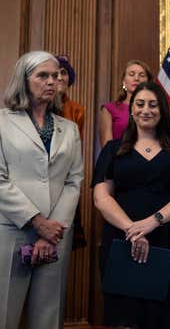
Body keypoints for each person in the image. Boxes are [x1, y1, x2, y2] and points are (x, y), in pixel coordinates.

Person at [93, 81, 170, 329]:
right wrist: (133, 229)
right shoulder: (113, 149)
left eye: (153, 105)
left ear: (162, 110)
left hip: (168, 236)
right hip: (123, 239)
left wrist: (153, 222)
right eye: (140, 104)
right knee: (127, 316)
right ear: (131, 110)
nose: (146, 110)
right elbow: (101, 197)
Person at [0, 51, 83, 329]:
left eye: (56, 75)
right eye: (43, 76)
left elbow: (74, 181)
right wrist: (37, 222)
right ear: (24, 80)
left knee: (48, 317)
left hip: (56, 236)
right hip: (11, 231)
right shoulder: (2, 122)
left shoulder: (69, 129)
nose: (52, 81)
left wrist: (52, 229)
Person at [55, 55, 88, 250]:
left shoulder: (76, 110)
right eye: (55, 72)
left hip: (64, 178)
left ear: (69, 79)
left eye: (63, 72)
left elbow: (75, 150)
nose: (58, 77)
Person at [98, 60, 153, 147]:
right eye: (131, 74)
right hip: (119, 158)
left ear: (148, 82)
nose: (136, 78)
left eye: (142, 75)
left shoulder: (155, 110)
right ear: (124, 81)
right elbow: (106, 148)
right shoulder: (109, 109)